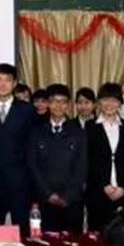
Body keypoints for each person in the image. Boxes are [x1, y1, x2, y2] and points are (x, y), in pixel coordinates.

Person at [27, 84, 87, 233]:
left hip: (72, 200)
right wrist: (49, 194)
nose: (58, 105)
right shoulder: (36, 132)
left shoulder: (78, 132)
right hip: (44, 200)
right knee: (44, 243)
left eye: (63, 101)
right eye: (54, 101)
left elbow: (82, 167)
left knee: (74, 243)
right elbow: (32, 165)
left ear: (68, 105)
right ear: (48, 103)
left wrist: (67, 196)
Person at [0, 63, 35, 233]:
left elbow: (32, 146)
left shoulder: (28, 110)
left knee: (23, 232)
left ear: (14, 83)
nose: (3, 84)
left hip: (20, 182)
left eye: (7, 80)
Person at [86, 82, 124, 232]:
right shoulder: (90, 127)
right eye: (105, 100)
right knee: (97, 235)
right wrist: (104, 185)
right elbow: (88, 160)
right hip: (98, 191)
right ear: (99, 102)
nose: (109, 104)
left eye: (114, 100)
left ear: (120, 103)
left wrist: (123, 187)